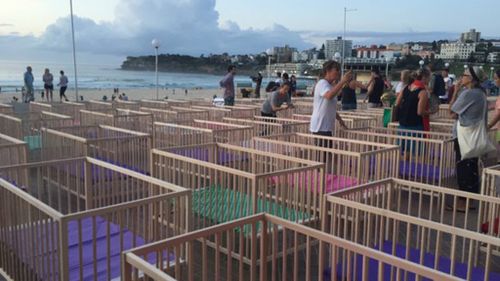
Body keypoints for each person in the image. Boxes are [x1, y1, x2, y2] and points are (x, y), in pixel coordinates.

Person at [449, 66, 489, 211]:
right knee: (471, 168)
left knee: (463, 168)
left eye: (464, 75)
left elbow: (451, 111)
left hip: (464, 135)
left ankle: (462, 203)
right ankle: (470, 201)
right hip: (474, 135)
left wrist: (454, 92)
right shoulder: (481, 93)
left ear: (471, 78)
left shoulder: (469, 94)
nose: (461, 77)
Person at [309, 60, 351, 141]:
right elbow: (329, 96)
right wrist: (342, 81)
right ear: (328, 71)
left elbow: (331, 108)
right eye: (336, 70)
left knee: (327, 152)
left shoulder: (330, 86)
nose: (338, 72)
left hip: (326, 126)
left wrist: (340, 120)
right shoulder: (322, 83)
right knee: (323, 153)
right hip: (320, 126)